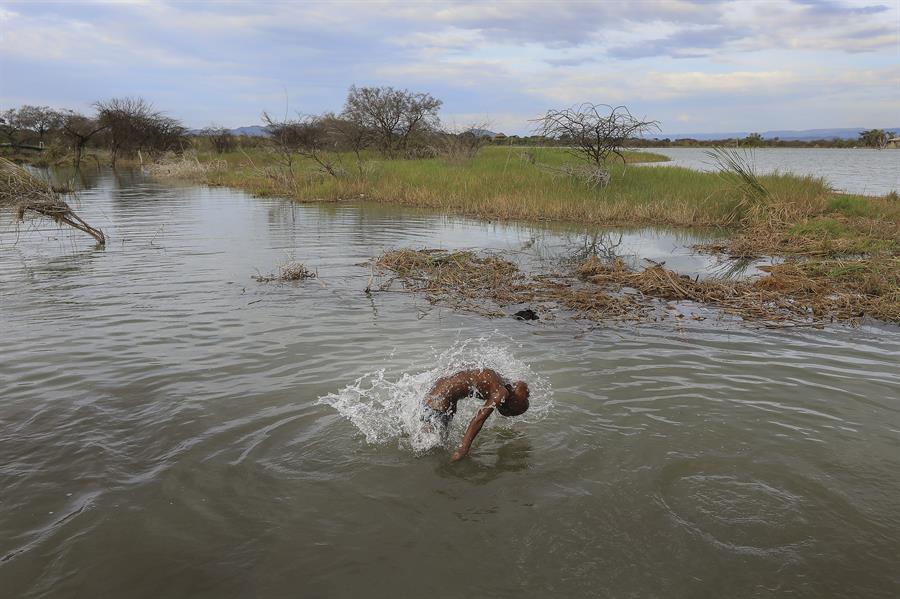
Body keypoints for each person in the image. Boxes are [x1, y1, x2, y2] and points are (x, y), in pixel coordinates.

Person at [422, 368, 530, 462]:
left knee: (435, 441)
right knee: (430, 448)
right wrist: (463, 449)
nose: (527, 393)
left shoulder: (498, 380)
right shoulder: (500, 392)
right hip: (439, 402)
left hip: (439, 392)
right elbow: (479, 419)